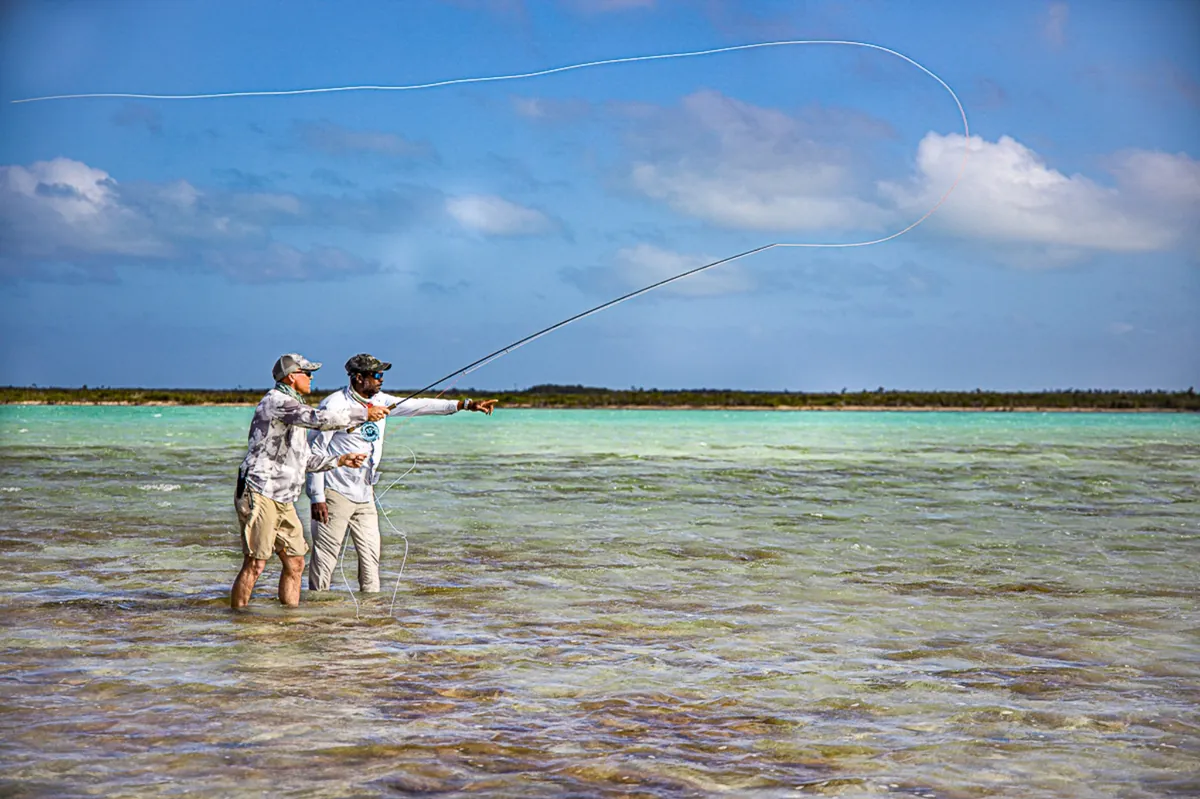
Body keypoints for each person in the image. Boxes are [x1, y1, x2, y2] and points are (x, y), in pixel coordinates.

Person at [306, 353, 496, 593]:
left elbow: (420, 404)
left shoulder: (382, 400)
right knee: (325, 560)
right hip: (334, 494)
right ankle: (314, 618)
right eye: (376, 375)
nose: (381, 379)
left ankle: (372, 617)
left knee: (371, 559)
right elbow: (315, 451)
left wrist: (464, 405)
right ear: (358, 378)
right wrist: (317, 497)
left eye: (382, 374)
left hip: (365, 495)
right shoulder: (334, 405)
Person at [231, 353, 389, 610]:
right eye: (307, 373)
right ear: (292, 376)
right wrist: (364, 413)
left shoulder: (294, 407)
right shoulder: (277, 402)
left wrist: (340, 460)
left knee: (296, 562)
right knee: (256, 563)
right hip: (260, 491)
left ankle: (290, 621)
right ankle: (239, 621)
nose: (312, 377)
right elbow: (318, 419)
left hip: (283, 497)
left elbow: (304, 458)